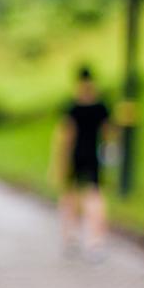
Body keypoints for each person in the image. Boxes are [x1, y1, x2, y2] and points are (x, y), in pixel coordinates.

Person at [50, 66, 113, 259]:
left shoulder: (72, 107)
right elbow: (108, 132)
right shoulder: (101, 106)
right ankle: (96, 242)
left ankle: (70, 237)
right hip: (93, 155)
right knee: (95, 196)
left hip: (75, 156)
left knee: (69, 196)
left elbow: (66, 136)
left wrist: (59, 163)